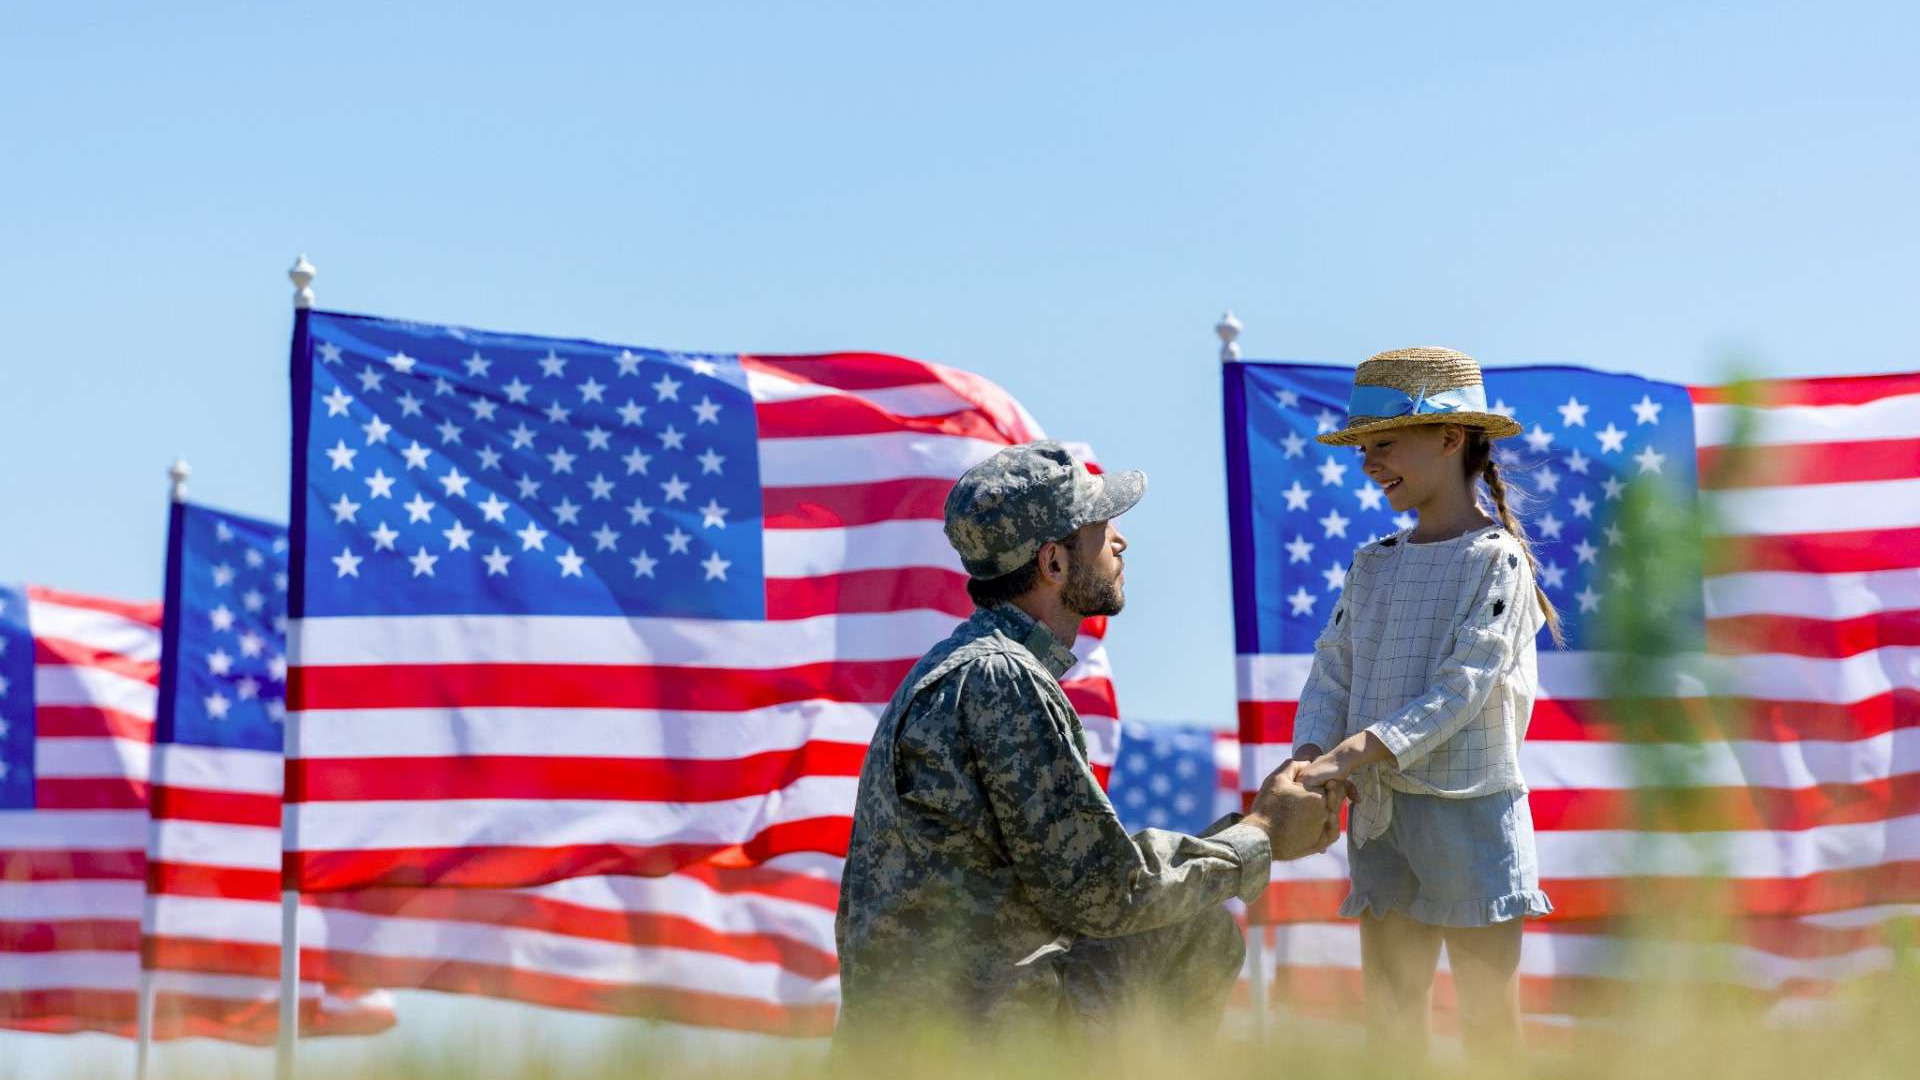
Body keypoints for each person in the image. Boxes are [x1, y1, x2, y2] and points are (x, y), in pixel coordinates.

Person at [833, 440, 1342, 1052]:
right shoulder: (1001, 678)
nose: (1119, 543)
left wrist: (1243, 834)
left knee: (1183, 913)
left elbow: (1086, 885)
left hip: (927, 1031)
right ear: (1053, 562)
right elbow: (1106, 892)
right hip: (976, 1043)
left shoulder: (962, 668)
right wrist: (1260, 835)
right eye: (1102, 529)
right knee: (1196, 926)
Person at [1289, 347, 1561, 1061]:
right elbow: (1332, 671)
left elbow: (1464, 685)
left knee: (1487, 1023)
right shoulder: (1372, 562)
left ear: (1448, 439)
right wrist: (1310, 754)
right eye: (1363, 448)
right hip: (1380, 817)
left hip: (1473, 811)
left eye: (1383, 443)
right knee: (1392, 1014)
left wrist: (1359, 748)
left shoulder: (1497, 560)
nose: (1368, 463)